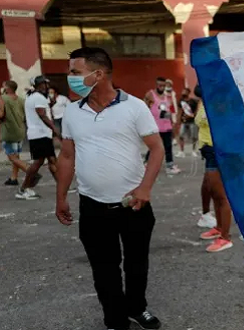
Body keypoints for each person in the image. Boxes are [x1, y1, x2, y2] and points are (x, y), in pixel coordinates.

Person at [56, 47, 164, 330]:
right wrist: (60, 198)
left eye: (75, 72)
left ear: (98, 74)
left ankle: (137, 308)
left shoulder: (135, 107)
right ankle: (116, 320)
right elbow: (67, 156)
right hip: (92, 206)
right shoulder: (72, 112)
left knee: (136, 265)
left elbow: (157, 149)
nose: (70, 78)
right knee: (104, 270)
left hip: (134, 204)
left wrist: (145, 188)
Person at [193, 85, 235, 252]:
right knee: (213, 191)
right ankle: (218, 228)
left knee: (221, 195)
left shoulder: (220, 104)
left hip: (218, 151)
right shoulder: (204, 103)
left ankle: (225, 237)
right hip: (208, 151)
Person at [16, 75, 59, 200]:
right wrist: (54, 128)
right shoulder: (38, 97)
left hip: (41, 133)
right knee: (38, 161)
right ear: (38, 85)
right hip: (40, 134)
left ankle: (62, 184)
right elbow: (42, 115)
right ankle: (23, 189)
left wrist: (50, 101)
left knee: (52, 159)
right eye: (44, 84)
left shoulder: (34, 96)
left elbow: (47, 108)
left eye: (46, 84)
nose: (46, 86)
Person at [144, 77, 181, 175]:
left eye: (163, 85)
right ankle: (146, 163)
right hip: (155, 127)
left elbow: (170, 109)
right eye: (159, 85)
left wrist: (172, 121)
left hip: (167, 126)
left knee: (168, 147)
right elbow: (144, 108)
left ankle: (170, 166)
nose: (161, 87)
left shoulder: (166, 96)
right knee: (154, 147)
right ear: (156, 85)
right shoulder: (150, 94)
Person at [1, 80, 28, 186]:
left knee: (11, 157)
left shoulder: (3, 98)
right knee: (16, 156)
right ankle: (14, 178)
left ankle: (30, 171)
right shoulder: (22, 100)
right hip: (20, 130)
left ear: (7, 88)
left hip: (8, 131)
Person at [175, 88, 199, 158]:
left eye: (185, 91)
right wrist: (178, 120)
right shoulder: (181, 101)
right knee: (181, 136)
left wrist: (193, 116)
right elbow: (179, 111)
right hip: (183, 122)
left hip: (192, 121)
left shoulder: (193, 101)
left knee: (194, 137)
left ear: (188, 92)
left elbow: (196, 110)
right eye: (183, 91)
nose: (183, 92)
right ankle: (181, 151)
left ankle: (193, 151)